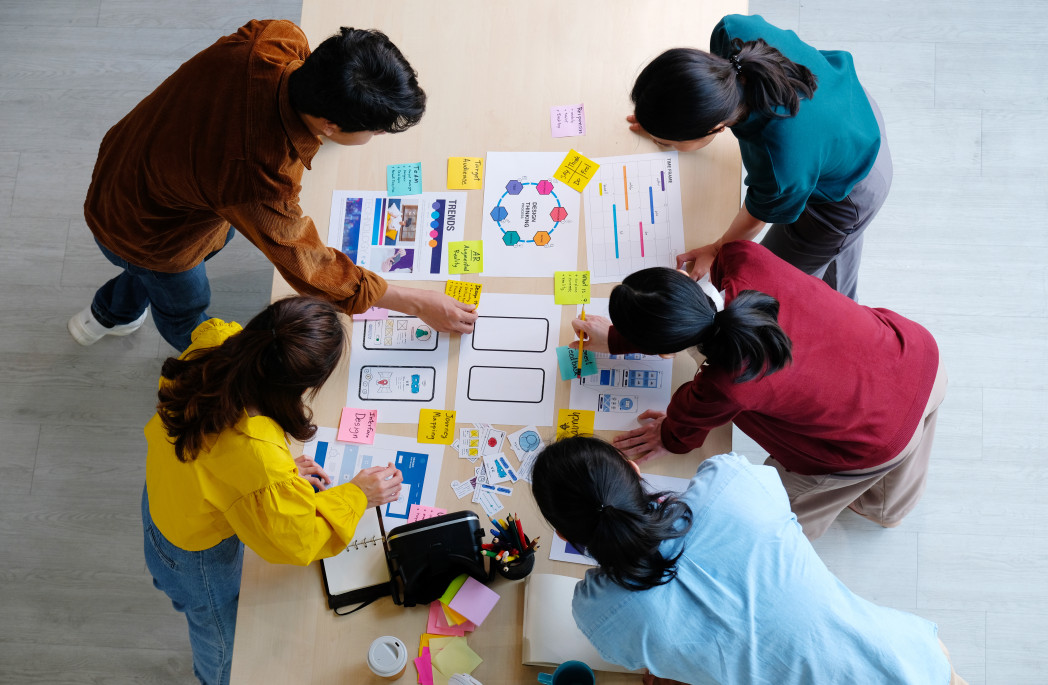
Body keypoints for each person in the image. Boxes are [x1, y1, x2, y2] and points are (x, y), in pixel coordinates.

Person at [69, 20, 477, 352]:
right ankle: (114, 317)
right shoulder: (258, 180)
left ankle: (110, 310)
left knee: (164, 268)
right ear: (329, 125)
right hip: (146, 232)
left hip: (134, 160)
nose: (378, 137)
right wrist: (417, 302)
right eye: (374, 130)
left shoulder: (276, 38)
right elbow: (313, 267)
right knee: (183, 308)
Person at [572, 241, 945, 539]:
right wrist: (626, 336)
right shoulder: (743, 259)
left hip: (877, 440)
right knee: (915, 426)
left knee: (781, 511)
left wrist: (667, 433)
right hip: (916, 354)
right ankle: (887, 506)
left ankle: (883, 510)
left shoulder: (722, 385)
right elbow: (721, 266)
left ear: (663, 347)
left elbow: (681, 437)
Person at [531, 437, 969, 685]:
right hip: (910, 661)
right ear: (634, 468)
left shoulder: (598, 612)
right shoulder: (732, 483)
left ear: (566, 535)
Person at [142, 296, 403, 685]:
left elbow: (215, 456)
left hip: (167, 499)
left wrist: (270, 479)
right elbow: (296, 540)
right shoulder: (257, 454)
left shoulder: (218, 342)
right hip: (194, 556)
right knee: (221, 644)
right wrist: (359, 496)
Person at [628, 14, 891, 301]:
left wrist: (718, 249)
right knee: (837, 246)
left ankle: (845, 317)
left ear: (715, 127)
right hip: (848, 105)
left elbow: (755, 217)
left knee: (780, 282)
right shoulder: (732, 33)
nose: (659, 141)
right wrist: (661, 115)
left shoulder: (780, 164)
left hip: (851, 187)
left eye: (665, 141)